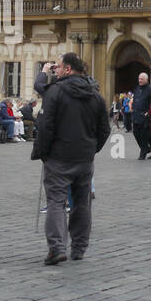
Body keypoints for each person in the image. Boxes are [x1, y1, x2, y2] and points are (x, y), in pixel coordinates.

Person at [31, 52, 110, 265]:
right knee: (82, 203)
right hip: (84, 157)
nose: (55, 70)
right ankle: (79, 248)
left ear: (67, 69)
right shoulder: (95, 94)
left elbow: (45, 126)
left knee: (56, 202)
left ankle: (57, 248)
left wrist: (44, 152)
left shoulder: (55, 92)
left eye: (58, 67)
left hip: (58, 156)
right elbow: (105, 129)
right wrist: (92, 149)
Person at [130, 72, 151, 160]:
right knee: (136, 133)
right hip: (136, 115)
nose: (139, 80)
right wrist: (132, 107)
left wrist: (148, 112)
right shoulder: (136, 88)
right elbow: (134, 99)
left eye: (142, 79)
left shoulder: (150, 90)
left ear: (146, 80)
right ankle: (147, 149)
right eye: (139, 79)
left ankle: (142, 154)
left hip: (145, 116)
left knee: (144, 136)